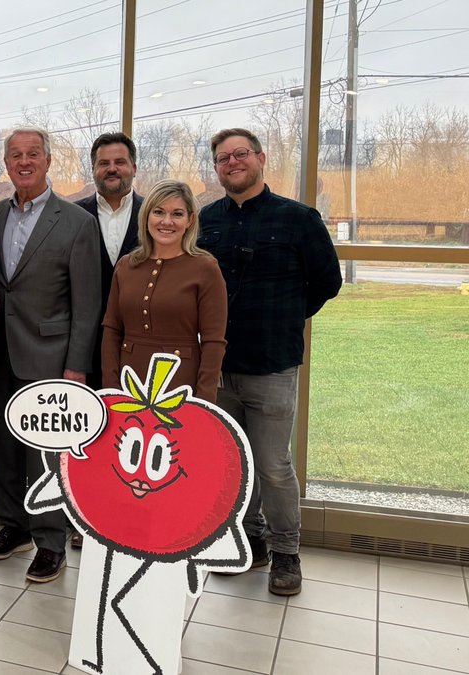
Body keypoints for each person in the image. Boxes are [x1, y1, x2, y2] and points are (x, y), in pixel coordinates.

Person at [198, 128, 341, 596]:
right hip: (218, 364)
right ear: (216, 168)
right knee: (235, 463)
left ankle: (286, 552)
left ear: (261, 159)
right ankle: (252, 539)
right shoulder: (207, 220)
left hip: (274, 364)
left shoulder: (299, 219)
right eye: (223, 158)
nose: (232, 163)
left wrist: (284, 316)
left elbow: (327, 282)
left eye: (241, 154)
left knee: (273, 464)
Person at [0, 127, 101, 583]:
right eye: (15, 155)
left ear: (49, 162)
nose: (24, 162)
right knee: (1, 446)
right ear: (6, 164)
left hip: (50, 357)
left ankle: (50, 541)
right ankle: (13, 527)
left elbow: (87, 305)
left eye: (33, 154)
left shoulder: (75, 221)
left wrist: (77, 366)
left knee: (45, 457)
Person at [73, 131, 144, 549]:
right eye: (104, 163)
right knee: (90, 439)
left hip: (140, 349)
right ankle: (89, 521)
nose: (112, 169)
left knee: (134, 435)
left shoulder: (155, 214)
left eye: (119, 162)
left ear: (133, 167)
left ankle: (131, 519)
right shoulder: (74, 215)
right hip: (85, 346)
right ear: (94, 170)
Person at [100, 179, 227, 404]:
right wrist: (111, 389)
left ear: (190, 220)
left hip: (181, 385)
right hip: (129, 383)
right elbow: (111, 331)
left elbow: (213, 342)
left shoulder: (205, 268)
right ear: (146, 216)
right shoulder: (126, 265)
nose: (166, 222)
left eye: (177, 214)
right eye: (158, 212)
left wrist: (205, 401)